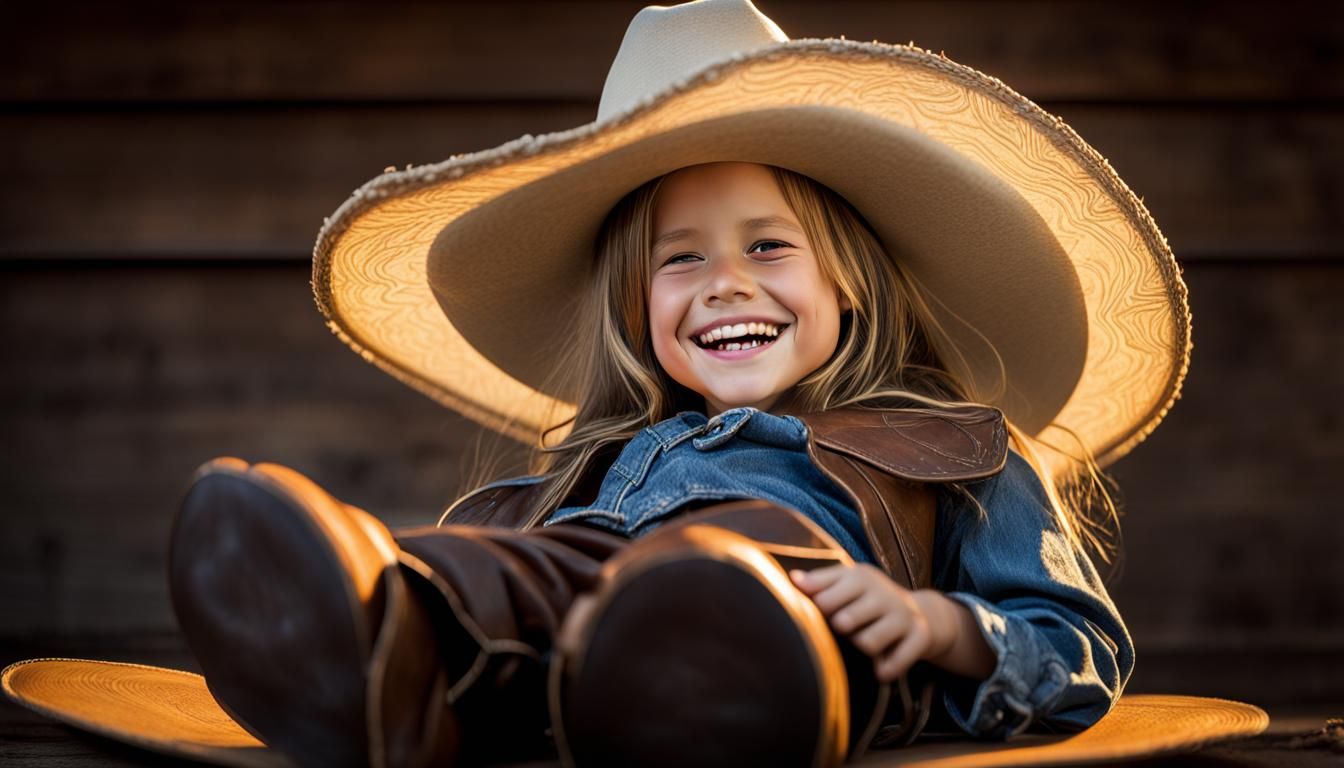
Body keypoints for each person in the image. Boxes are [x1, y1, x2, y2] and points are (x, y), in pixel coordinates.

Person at [169, 1, 1188, 767]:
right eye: (680, 260)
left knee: (726, 568)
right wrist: (458, 579)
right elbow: (540, 580)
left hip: (803, 638)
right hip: (585, 640)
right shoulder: (592, 468)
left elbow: (1082, 646)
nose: (727, 284)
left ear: (853, 286)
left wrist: (944, 628)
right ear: (634, 312)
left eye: (768, 246)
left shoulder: (951, 447)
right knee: (514, 572)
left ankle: (698, 657)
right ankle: (376, 634)